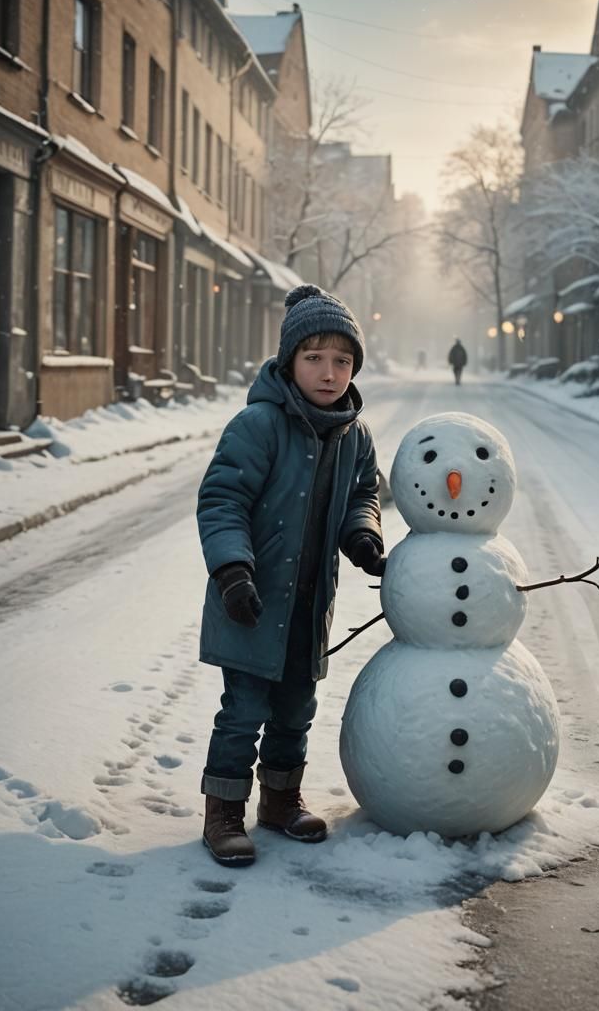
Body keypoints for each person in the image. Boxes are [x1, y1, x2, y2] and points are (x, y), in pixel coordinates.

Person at [196, 283, 385, 867]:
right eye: (314, 358)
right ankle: (223, 811)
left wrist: (363, 534)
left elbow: (364, 494)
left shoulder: (354, 434)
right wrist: (232, 570)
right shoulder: (258, 426)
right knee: (244, 710)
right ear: (289, 361)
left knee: (295, 710)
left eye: (342, 361)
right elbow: (222, 499)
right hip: (250, 598)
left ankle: (280, 799)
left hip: (308, 605)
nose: (329, 373)